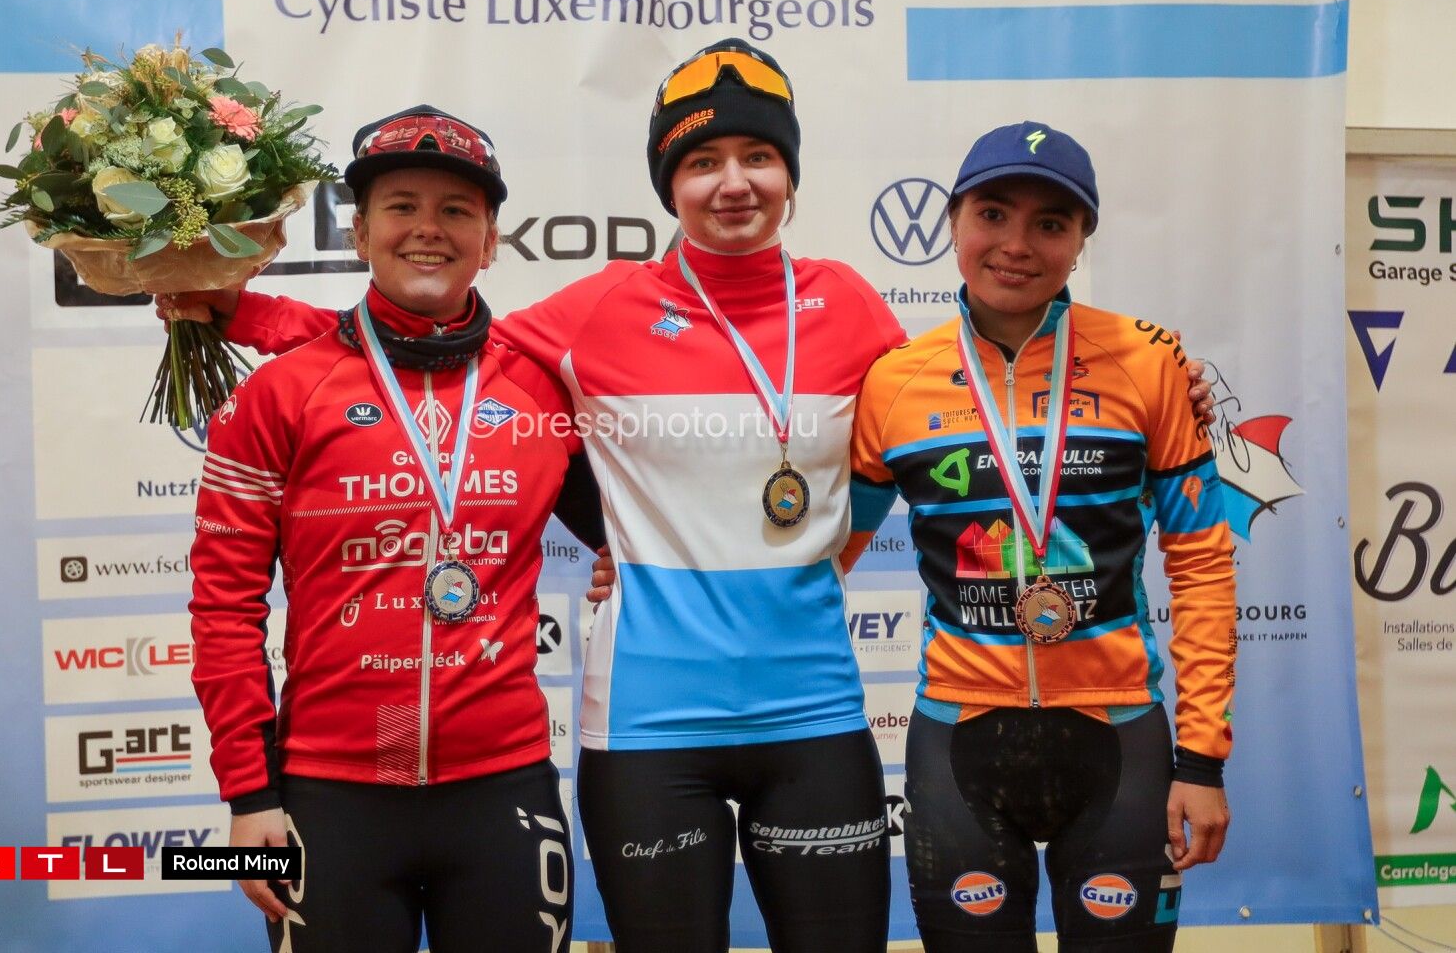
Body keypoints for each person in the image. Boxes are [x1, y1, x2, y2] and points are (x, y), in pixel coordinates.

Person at [168, 48, 1219, 953]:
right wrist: (239, 311)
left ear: (791, 174)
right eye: (703, 160)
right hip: (644, 724)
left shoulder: (854, 307)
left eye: (758, 155)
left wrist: (1168, 376)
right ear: (669, 182)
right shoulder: (596, 311)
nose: (733, 182)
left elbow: (963, 395)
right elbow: (422, 334)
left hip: (812, 714)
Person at [185, 105, 603, 953]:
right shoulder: (279, 394)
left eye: (456, 210)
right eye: (401, 206)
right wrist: (248, 798)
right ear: (359, 231)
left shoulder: (540, 388)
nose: (427, 229)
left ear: (491, 240)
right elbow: (223, 609)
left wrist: (622, 558)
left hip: (504, 788)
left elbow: (642, 517)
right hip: (324, 794)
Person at [844, 121, 1237, 953]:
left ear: (1081, 239)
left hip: (1119, 741)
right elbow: (820, 554)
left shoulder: (1149, 362)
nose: (1017, 245)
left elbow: (1202, 565)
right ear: (953, 221)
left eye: (1050, 223)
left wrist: (1202, 761)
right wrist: (629, 560)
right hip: (958, 742)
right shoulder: (894, 382)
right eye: (992, 214)